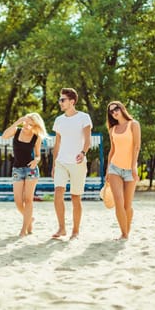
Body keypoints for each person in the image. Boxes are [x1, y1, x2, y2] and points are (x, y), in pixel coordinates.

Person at [51, 88, 92, 240]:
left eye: (63, 100)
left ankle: (75, 230)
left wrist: (83, 152)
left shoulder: (84, 117)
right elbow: (57, 144)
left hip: (77, 162)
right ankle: (62, 228)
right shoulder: (59, 120)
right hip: (61, 162)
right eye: (59, 100)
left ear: (72, 101)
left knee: (75, 197)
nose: (60, 102)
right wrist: (54, 165)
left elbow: (88, 140)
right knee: (58, 193)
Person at [2, 113, 47, 237]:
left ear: (35, 125)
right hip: (17, 169)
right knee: (18, 201)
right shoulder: (16, 131)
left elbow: (38, 155)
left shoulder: (36, 136)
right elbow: (4, 136)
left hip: (30, 170)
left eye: (30, 124)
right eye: (26, 122)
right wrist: (17, 122)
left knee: (28, 200)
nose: (27, 125)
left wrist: (36, 160)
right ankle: (29, 219)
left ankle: (24, 229)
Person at [106, 101, 141, 240]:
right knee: (119, 203)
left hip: (130, 170)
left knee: (127, 205)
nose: (114, 112)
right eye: (111, 111)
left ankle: (127, 229)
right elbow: (112, 150)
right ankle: (124, 233)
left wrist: (133, 167)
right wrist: (108, 170)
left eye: (116, 108)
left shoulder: (134, 124)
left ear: (122, 109)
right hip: (114, 168)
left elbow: (137, 146)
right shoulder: (112, 129)